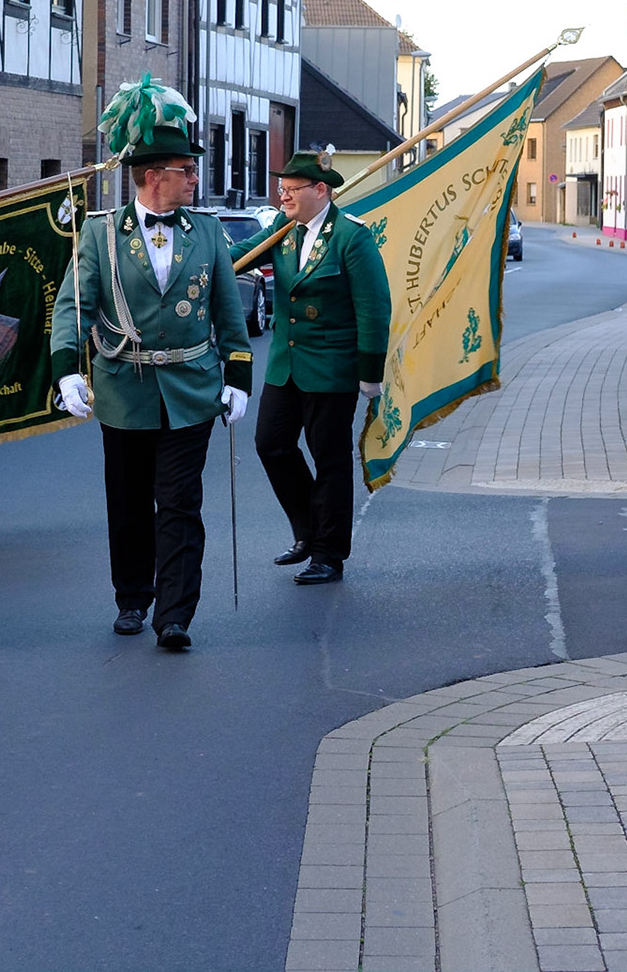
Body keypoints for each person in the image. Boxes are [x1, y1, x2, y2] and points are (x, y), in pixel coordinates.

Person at [51, 75, 251, 650]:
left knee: (182, 503)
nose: (195, 178)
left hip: (190, 387)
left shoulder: (208, 233)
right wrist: (68, 368)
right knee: (130, 500)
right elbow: (73, 305)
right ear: (152, 175)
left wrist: (237, 376)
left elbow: (228, 313)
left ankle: (176, 613)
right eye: (186, 169)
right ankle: (133, 597)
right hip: (124, 386)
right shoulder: (100, 236)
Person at [229, 147, 391, 585]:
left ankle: (329, 553)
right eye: (280, 190)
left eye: (290, 190)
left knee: (330, 460)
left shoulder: (351, 238)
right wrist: (200, 265)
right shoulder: (285, 229)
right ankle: (307, 531)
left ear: (320, 190)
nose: (282, 197)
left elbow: (374, 309)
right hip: (285, 366)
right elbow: (240, 256)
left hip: (331, 368)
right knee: (271, 445)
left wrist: (370, 373)